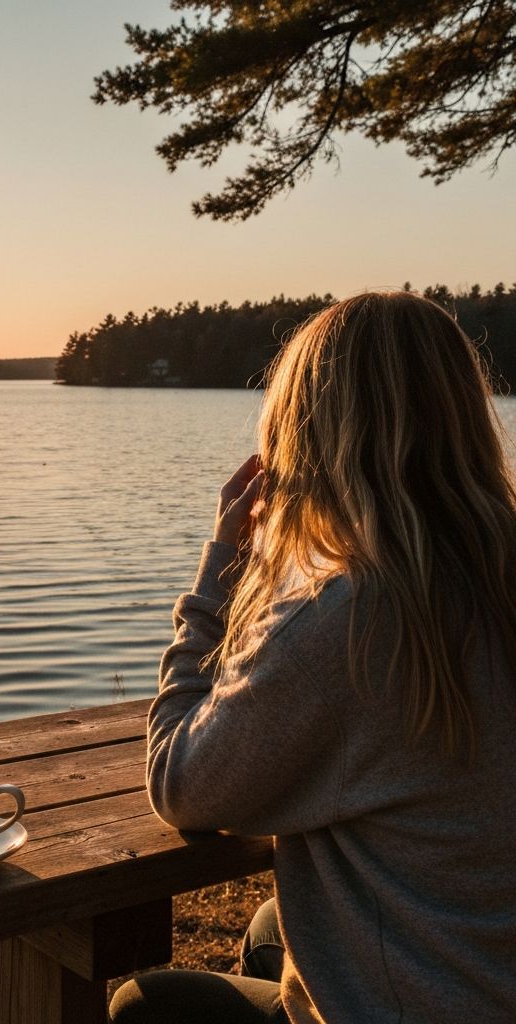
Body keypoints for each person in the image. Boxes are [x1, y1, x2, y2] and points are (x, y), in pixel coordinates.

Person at [110, 291, 516, 1023]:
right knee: (274, 925)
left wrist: (223, 571)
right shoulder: (494, 574)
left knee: (145, 1004)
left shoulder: (348, 619)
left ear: (308, 437)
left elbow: (181, 783)